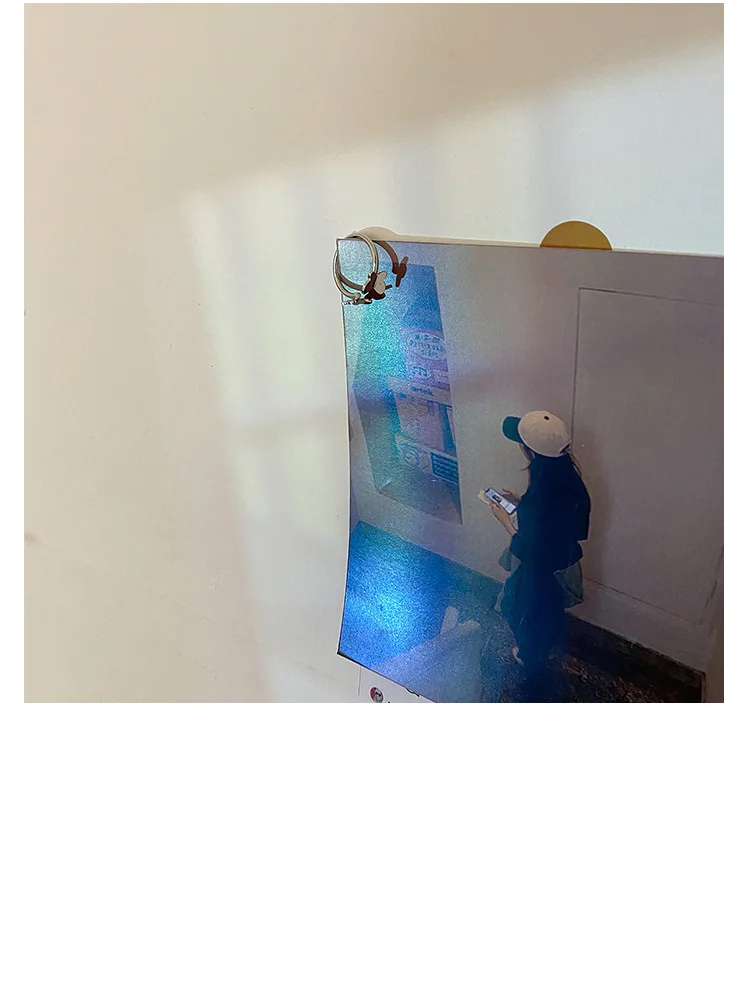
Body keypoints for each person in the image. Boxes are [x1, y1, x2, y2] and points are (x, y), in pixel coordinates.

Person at [488, 411, 591, 702]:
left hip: (538, 571)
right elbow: (561, 522)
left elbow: (528, 545)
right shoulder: (568, 479)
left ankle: (531, 666)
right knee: (546, 612)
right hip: (560, 565)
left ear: (530, 451)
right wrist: (521, 503)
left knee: (521, 612)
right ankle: (540, 650)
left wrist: (504, 519)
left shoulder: (543, 490)